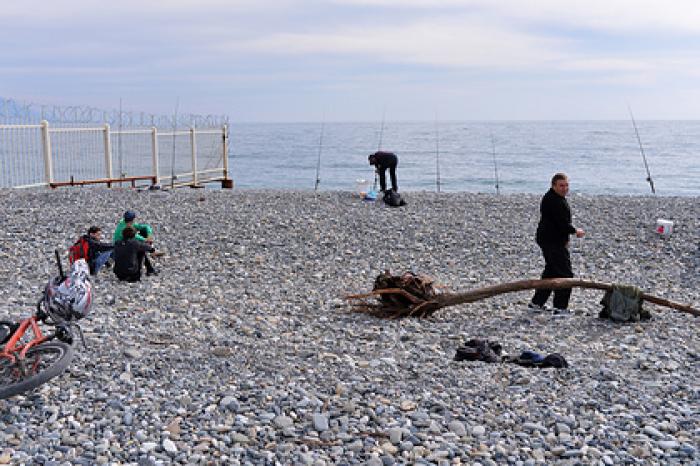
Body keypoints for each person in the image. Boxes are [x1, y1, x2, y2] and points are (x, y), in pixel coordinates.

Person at [529, 173, 585, 314]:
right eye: (561, 185)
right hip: (550, 241)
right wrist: (575, 231)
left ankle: (537, 303)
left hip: (551, 239)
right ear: (553, 185)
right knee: (565, 274)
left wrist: (565, 238)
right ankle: (560, 308)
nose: (564, 188)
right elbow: (562, 224)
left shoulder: (556, 198)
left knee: (551, 271)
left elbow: (559, 225)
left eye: (566, 185)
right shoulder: (554, 201)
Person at [114, 210, 158, 276]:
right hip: (126, 246)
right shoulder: (124, 228)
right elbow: (134, 236)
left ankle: (150, 269)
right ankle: (149, 269)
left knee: (143, 233)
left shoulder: (124, 223)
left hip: (118, 271)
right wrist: (147, 240)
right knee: (141, 250)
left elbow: (146, 227)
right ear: (133, 219)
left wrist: (149, 235)